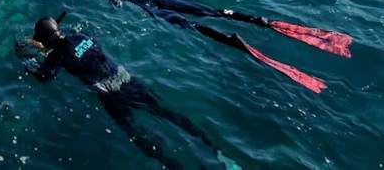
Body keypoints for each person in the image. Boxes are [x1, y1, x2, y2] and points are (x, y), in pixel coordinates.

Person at [17, 14, 242, 170]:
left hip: (110, 94)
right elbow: (73, 47)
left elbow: (45, 76)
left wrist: (26, 58)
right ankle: (218, 152)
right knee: (165, 113)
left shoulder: (57, 57)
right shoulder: (82, 36)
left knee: (133, 131)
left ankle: (172, 164)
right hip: (127, 80)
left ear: (43, 41)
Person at [96, 0, 353, 93]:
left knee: (188, 24)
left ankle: (229, 39)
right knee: (207, 11)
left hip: (149, 5)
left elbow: (117, 3)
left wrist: (116, 2)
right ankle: (255, 20)